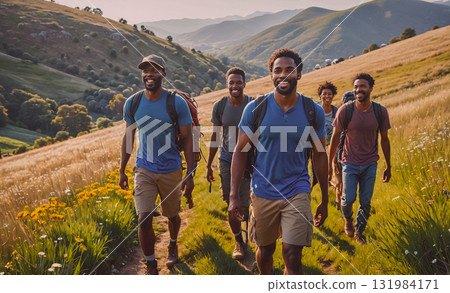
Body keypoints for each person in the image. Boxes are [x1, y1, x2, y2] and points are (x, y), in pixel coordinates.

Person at [229, 48, 328, 275]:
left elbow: (320, 155)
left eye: (289, 70)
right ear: (271, 75)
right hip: (263, 190)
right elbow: (240, 151)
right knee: (265, 251)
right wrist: (234, 196)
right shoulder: (256, 109)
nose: (283, 75)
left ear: (299, 74)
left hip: (298, 189)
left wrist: (324, 198)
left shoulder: (313, 111)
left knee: (293, 256)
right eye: (277, 70)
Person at [118, 54, 195, 274]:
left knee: (172, 215)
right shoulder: (133, 103)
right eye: (145, 70)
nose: (149, 74)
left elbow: (188, 138)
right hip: (144, 168)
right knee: (144, 218)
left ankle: (172, 243)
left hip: (171, 169)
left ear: (163, 74)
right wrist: (122, 170)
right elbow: (129, 136)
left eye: (154, 70)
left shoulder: (176, 103)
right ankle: (151, 264)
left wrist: (189, 173)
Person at [328, 73, 391, 245]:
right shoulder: (345, 110)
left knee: (365, 202)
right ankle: (348, 219)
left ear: (370, 89)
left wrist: (389, 165)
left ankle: (359, 231)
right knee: (348, 199)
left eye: (362, 86)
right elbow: (335, 138)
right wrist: (330, 163)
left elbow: (384, 139)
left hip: (371, 163)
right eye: (355, 87)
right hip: (349, 162)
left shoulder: (380, 111)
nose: (358, 90)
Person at [207, 67, 252, 260]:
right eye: (231, 83)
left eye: (238, 82)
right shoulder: (219, 106)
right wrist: (209, 164)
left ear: (244, 83)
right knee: (233, 203)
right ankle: (238, 242)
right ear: (227, 85)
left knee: (252, 203)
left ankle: (253, 235)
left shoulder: (253, 104)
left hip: (252, 160)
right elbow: (216, 135)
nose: (235, 86)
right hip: (227, 159)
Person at [310, 82, 340, 208]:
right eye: (324, 94)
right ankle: (308, 194)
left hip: (332, 146)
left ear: (333, 96)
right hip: (315, 146)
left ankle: (336, 197)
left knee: (335, 170)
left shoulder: (336, 112)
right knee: (315, 174)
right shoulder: (315, 110)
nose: (327, 96)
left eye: (330, 94)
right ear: (320, 96)